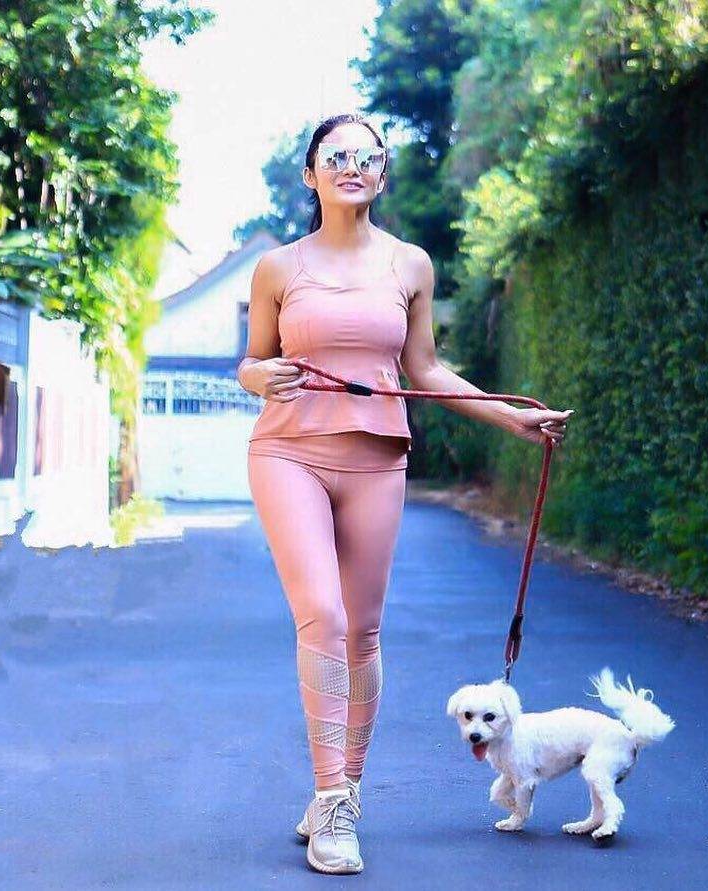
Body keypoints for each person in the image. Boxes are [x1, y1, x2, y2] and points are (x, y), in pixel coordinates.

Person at [237, 112, 573, 875]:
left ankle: (344, 789)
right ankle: (330, 801)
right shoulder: (278, 268)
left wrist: (511, 417)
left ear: (383, 173)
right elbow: (251, 362)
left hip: (377, 458)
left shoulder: (409, 265)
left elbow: (425, 370)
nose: (351, 166)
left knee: (361, 632)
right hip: (288, 451)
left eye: (367, 155)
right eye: (335, 155)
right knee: (322, 614)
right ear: (310, 173)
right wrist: (261, 375)